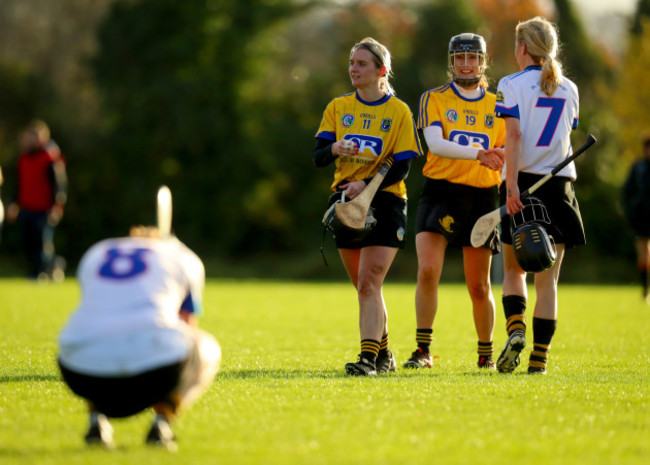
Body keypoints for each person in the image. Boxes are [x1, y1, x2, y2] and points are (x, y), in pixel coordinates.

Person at [313, 37, 422, 376]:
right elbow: (318, 157)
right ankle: (385, 353)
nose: (353, 69)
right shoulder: (338, 107)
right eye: (352, 63)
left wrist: (369, 183)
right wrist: (334, 150)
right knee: (364, 287)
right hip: (346, 200)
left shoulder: (398, 111)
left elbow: (403, 165)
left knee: (370, 279)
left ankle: (367, 361)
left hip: (387, 199)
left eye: (361, 63)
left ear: (381, 70)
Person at [57, 225, 221, 450]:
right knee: (207, 347)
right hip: (157, 373)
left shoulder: (98, 251)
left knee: (97, 334)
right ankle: (162, 423)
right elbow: (186, 325)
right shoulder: (183, 257)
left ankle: (97, 423)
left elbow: (95, 309)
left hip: (78, 372)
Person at [403, 33, 506, 371]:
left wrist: (502, 160)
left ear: (483, 61)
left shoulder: (500, 103)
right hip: (441, 191)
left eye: (472, 58)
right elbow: (436, 143)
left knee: (478, 284)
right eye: (460, 58)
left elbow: (511, 149)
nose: (466, 64)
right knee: (429, 269)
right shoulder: (434, 98)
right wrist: (481, 154)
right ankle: (423, 350)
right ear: (452, 62)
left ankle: (486, 355)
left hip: (481, 198)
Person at [493, 16, 583, 374]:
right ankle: (539, 361)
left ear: (523, 48)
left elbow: (514, 137)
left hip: (523, 184)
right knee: (549, 281)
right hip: (560, 187)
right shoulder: (570, 88)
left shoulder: (510, 84)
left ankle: (516, 330)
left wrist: (511, 184)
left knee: (515, 272)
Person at [5, 123, 67, 281]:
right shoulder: (24, 159)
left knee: (42, 243)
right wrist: (14, 203)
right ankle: (49, 266)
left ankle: (40, 274)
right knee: (28, 243)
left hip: (44, 209)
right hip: (26, 207)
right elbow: (19, 184)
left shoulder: (50, 157)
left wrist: (56, 207)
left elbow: (58, 185)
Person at [621, 136, 650, 303]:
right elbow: (627, 192)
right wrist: (631, 210)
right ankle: (645, 289)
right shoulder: (638, 168)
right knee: (644, 255)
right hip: (641, 218)